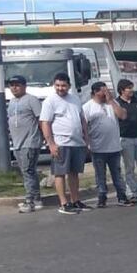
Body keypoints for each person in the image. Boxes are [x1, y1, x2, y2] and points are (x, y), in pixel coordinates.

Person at [40, 72, 89, 215]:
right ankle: (63, 203)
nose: (60, 88)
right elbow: (45, 123)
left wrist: (86, 138)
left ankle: (75, 200)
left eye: (63, 85)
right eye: (57, 85)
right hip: (61, 143)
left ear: (69, 86)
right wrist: (51, 144)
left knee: (74, 173)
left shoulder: (75, 99)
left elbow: (82, 120)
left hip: (77, 143)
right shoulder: (50, 101)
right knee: (60, 173)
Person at [83, 82, 132, 208]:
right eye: (103, 91)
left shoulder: (112, 104)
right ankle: (102, 197)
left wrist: (111, 100)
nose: (106, 94)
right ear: (95, 92)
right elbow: (84, 127)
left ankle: (122, 196)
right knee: (100, 175)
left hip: (114, 147)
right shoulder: (87, 107)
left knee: (117, 173)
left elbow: (123, 115)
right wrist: (86, 143)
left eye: (107, 91)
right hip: (98, 147)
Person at [6, 75, 43, 213]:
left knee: (28, 171)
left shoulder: (31, 100)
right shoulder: (11, 102)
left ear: (24, 86)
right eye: (11, 85)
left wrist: (45, 136)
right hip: (17, 143)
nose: (14, 87)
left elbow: (41, 119)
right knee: (28, 172)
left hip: (30, 141)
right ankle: (37, 198)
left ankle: (30, 201)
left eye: (17, 85)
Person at [115, 79, 137, 202]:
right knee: (129, 168)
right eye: (128, 88)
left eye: (131, 87)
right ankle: (132, 192)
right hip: (125, 139)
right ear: (121, 90)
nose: (131, 90)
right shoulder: (117, 103)